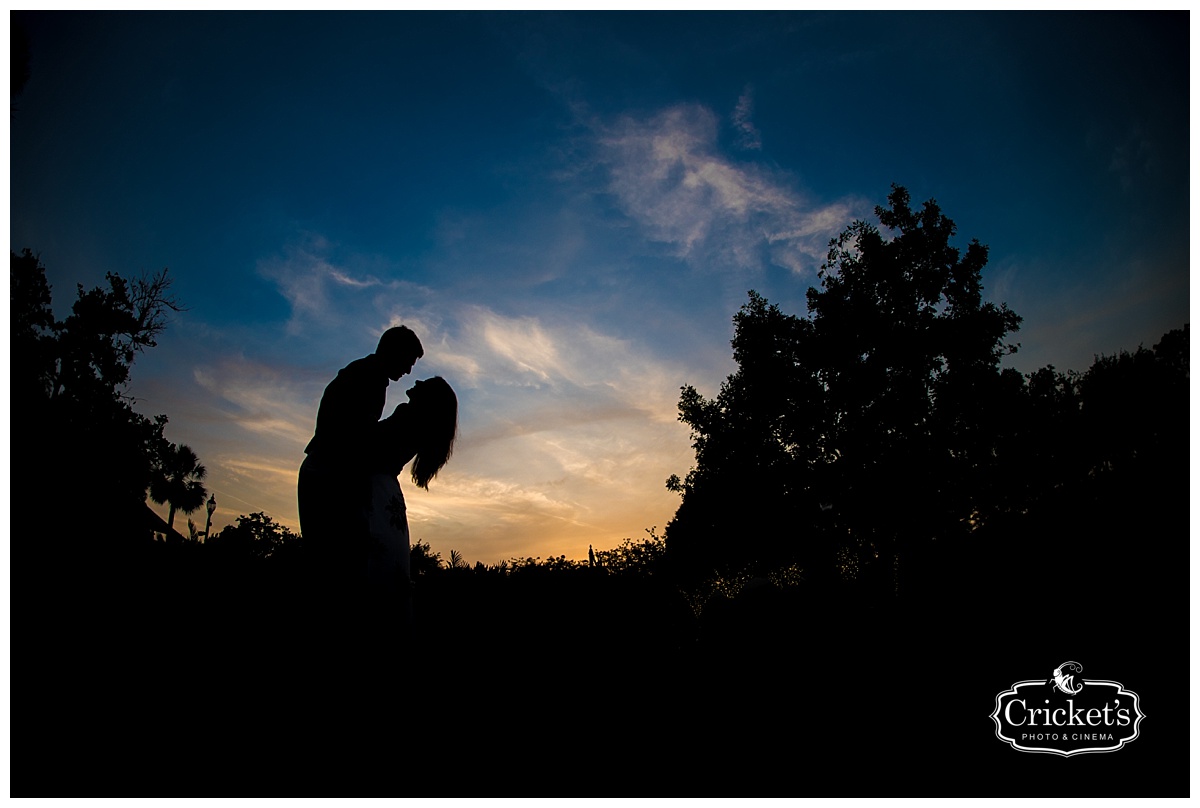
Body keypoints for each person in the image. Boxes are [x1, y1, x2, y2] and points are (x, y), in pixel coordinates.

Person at [297, 325, 423, 605]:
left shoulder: (365, 374)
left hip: (327, 469)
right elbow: (354, 439)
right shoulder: (369, 377)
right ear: (395, 351)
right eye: (409, 361)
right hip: (330, 473)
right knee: (338, 566)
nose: (409, 372)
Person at [362, 376, 458, 641]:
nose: (416, 380)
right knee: (388, 570)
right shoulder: (423, 427)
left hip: (375, 491)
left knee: (371, 566)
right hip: (387, 492)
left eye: (424, 383)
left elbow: (367, 444)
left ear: (429, 399)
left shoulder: (407, 417)